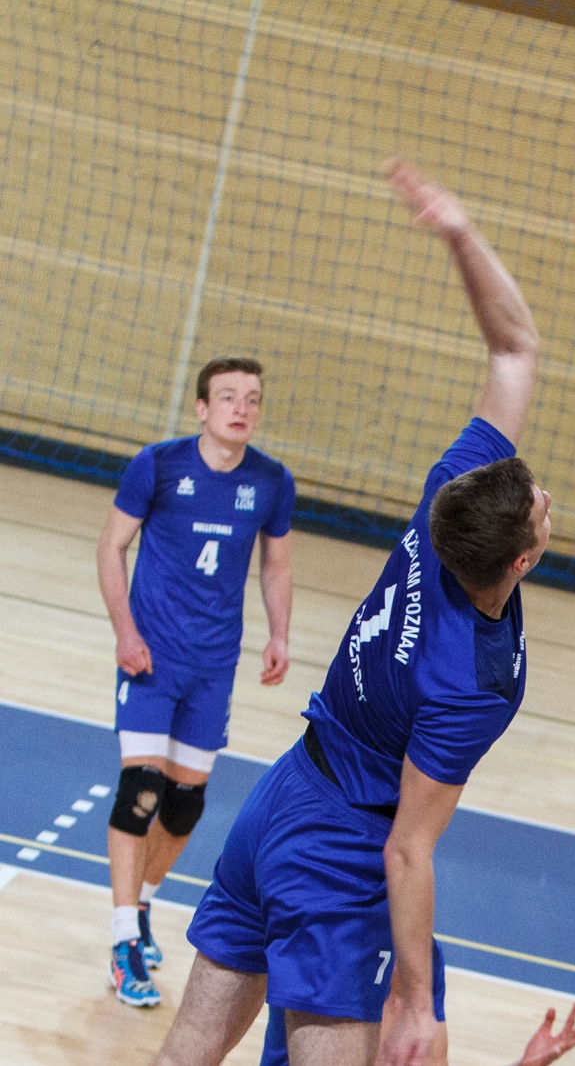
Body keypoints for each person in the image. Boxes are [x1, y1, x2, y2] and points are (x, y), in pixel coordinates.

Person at [145, 160, 575, 1066]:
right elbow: (407, 849)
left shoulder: (443, 509)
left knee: (183, 1054)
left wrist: (463, 234)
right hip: (341, 849)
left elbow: (513, 350)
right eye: (538, 499)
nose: (540, 489)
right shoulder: (476, 679)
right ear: (523, 559)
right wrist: (416, 1000)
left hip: (278, 802)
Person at [97, 355, 295, 1008]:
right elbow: (111, 547)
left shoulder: (270, 481)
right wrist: (125, 630)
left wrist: (279, 632)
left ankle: (144, 901)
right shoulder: (157, 464)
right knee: (141, 789)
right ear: (203, 408)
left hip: (214, 665)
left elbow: (275, 565)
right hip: (151, 657)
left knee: (183, 805)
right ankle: (124, 940)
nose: (243, 406)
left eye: (253, 398)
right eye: (229, 396)